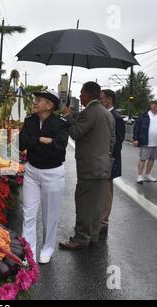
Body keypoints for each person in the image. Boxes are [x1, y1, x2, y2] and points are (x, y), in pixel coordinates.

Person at [59, 82, 115, 250]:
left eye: (81, 93)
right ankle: (93, 235)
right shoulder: (107, 113)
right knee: (96, 205)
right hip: (103, 166)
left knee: (84, 203)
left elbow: (76, 133)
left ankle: (80, 238)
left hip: (89, 168)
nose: (80, 96)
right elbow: (112, 140)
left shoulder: (90, 112)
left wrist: (68, 116)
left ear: (88, 94)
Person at [19, 89, 69, 264]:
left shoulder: (61, 124)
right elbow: (21, 142)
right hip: (32, 171)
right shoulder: (29, 121)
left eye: (38, 100)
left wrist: (34, 143)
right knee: (28, 214)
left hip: (52, 173)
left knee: (50, 216)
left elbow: (58, 148)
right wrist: (41, 140)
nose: (34, 102)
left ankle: (47, 249)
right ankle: (28, 252)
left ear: (49, 105)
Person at [99, 89, 125, 235]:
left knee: (106, 193)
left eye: (101, 98)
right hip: (101, 160)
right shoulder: (105, 115)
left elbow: (118, 144)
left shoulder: (116, 117)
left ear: (109, 100)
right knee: (100, 191)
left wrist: (110, 162)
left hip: (109, 161)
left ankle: (103, 222)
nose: (100, 100)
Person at [133, 101, 157, 184]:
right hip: (145, 141)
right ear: (151, 105)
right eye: (155, 104)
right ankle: (140, 176)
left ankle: (148, 175)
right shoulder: (144, 115)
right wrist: (135, 138)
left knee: (152, 159)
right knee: (143, 159)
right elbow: (136, 127)